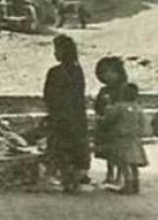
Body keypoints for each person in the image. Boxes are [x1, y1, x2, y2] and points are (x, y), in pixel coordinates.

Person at [43, 34, 90, 191]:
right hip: (75, 116)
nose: (55, 53)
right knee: (73, 147)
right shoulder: (78, 71)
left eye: (57, 50)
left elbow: (49, 95)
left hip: (61, 116)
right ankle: (73, 178)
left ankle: (65, 177)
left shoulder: (55, 72)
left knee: (61, 148)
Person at [103, 83, 148, 194]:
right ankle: (135, 184)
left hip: (122, 138)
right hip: (134, 139)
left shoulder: (119, 107)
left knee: (124, 163)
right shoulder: (138, 108)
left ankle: (128, 185)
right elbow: (144, 124)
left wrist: (107, 108)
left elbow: (109, 118)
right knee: (133, 164)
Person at [94, 56, 128, 184]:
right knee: (109, 151)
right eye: (103, 72)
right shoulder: (103, 90)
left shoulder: (124, 89)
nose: (107, 75)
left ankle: (119, 175)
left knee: (119, 151)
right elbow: (97, 105)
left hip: (118, 124)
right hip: (106, 123)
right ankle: (110, 174)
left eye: (110, 72)